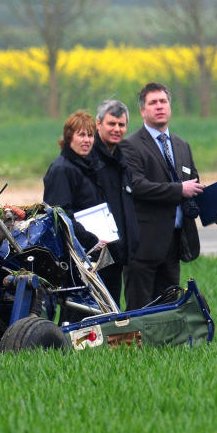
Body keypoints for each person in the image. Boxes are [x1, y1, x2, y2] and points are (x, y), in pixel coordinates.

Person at [120, 82, 217, 310]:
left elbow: (194, 189)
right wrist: (178, 189)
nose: (159, 106)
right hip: (143, 244)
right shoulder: (129, 146)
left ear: (170, 107)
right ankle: (134, 347)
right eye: (153, 103)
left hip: (174, 243)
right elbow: (138, 185)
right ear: (143, 111)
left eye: (163, 101)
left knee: (169, 309)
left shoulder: (182, 145)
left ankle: (164, 346)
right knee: (139, 311)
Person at [91, 99, 139, 303]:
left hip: (117, 253)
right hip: (95, 253)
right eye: (111, 123)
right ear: (98, 123)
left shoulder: (122, 159)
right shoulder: (89, 158)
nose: (117, 129)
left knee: (112, 308)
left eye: (121, 125)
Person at [42, 110, 102, 253]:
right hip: (78, 250)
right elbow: (60, 214)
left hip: (94, 244)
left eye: (90, 135)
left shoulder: (87, 166)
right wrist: (90, 240)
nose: (87, 140)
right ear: (69, 138)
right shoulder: (61, 169)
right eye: (81, 135)